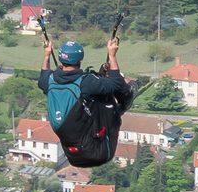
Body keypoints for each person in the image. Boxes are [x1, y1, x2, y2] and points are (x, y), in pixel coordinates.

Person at [38, 25, 135, 169]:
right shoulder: (86, 82)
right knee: (108, 94)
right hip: (99, 152)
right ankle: (121, 105)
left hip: (74, 156)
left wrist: (47, 55)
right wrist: (112, 56)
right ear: (79, 60)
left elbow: (43, 76)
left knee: (89, 98)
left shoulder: (50, 80)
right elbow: (115, 83)